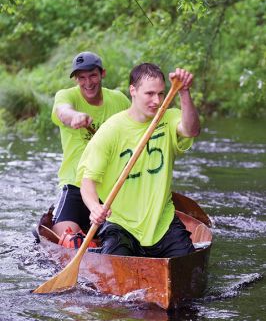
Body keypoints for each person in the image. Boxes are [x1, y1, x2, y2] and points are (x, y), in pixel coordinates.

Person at [76, 63, 200, 258]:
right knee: (115, 278)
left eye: (161, 94)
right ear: (132, 90)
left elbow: (191, 130)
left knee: (189, 273)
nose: (157, 101)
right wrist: (94, 207)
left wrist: (184, 92)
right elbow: (88, 181)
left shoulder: (168, 118)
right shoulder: (111, 130)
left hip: (163, 223)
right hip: (121, 226)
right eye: (149, 94)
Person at [51, 51, 130, 238]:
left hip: (113, 185)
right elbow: (63, 111)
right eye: (82, 78)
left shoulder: (119, 100)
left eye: (93, 75)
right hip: (75, 183)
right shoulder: (66, 96)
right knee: (68, 237)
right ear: (76, 80)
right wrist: (74, 116)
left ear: (102, 73)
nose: (88, 83)